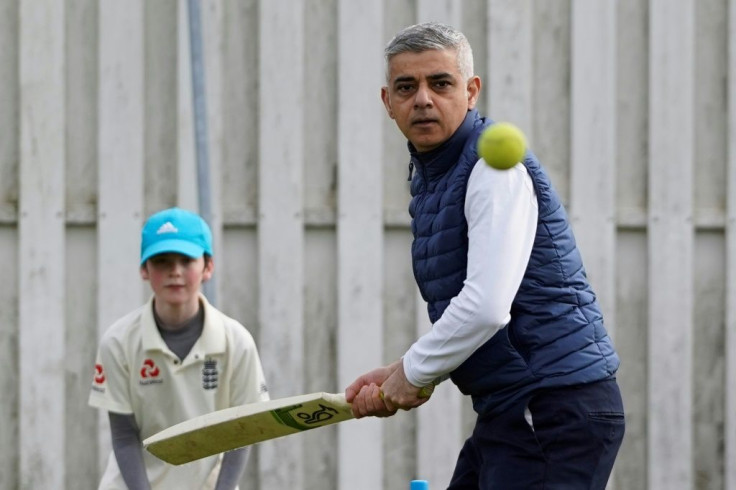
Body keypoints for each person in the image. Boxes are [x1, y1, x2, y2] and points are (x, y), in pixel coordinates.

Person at [345, 22, 624, 489]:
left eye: (441, 83)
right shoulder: (436, 176)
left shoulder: (494, 168)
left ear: (471, 91)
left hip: (553, 408)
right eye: (406, 87)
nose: (423, 99)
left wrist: (414, 370)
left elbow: (488, 305)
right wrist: (405, 372)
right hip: (513, 409)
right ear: (387, 101)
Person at [89, 207, 269, 490]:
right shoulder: (119, 341)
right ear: (144, 270)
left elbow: (242, 432)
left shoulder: (236, 341)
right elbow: (124, 436)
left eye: (186, 260)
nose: (175, 271)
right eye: (161, 261)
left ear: (208, 267)